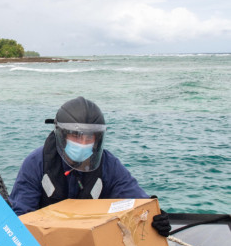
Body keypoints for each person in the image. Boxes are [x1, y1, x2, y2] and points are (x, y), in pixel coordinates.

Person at [9, 96, 171, 237]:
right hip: (46, 241)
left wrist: (154, 217)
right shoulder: (37, 162)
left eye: (89, 138)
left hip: (90, 240)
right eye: (76, 137)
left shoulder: (109, 164)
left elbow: (135, 200)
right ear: (62, 136)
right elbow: (21, 214)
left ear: (97, 140)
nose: (83, 144)